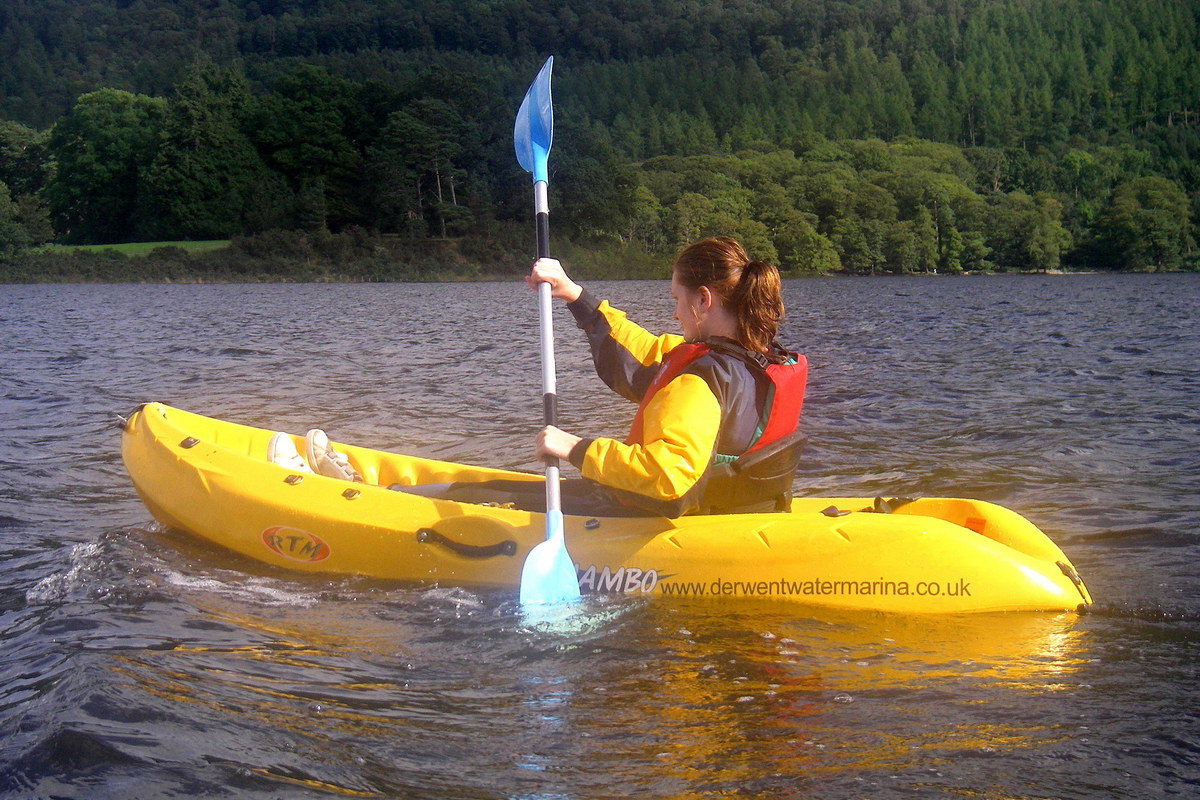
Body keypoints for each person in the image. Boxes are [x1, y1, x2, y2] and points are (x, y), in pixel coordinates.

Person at [441, 236, 807, 517]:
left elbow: (668, 478)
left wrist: (575, 448)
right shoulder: (759, 358)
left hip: (653, 514)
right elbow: (642, 356)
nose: (676, 314)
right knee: (483, 488)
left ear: (704, 300)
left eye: (677, 299)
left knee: (466, 499)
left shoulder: (699, 380)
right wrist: (576, 297)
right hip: (740, 508)